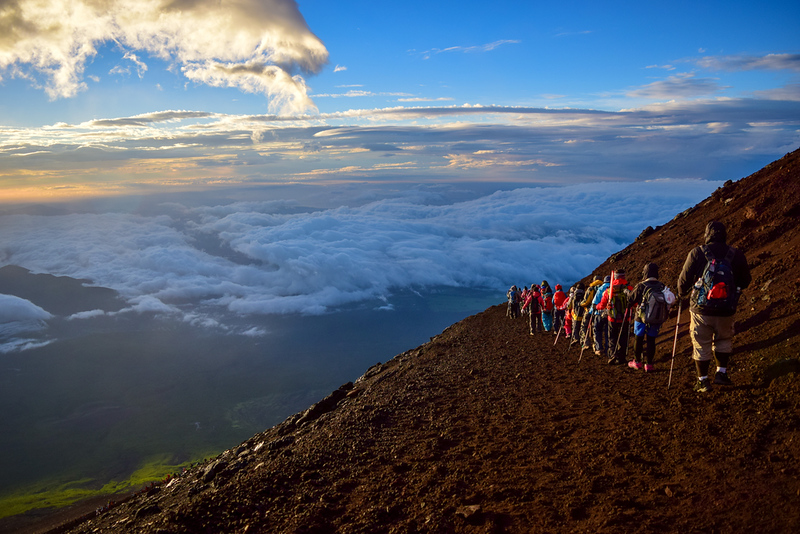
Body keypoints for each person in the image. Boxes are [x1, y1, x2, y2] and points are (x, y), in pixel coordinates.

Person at [677, 221, 751, 392]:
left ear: (707, 234)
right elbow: (746, 280)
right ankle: (722, 374)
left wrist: (683, 292)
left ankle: (702, 381)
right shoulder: (736, 254)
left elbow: (683, 283)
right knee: (723, 339)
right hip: (726, 308)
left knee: (701, 342)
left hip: (701, 309)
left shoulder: (697, 253)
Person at [627, 263, 669, 372]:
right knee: (651, 340)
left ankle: (637, 362)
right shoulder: (661, 286)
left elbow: (631, 299)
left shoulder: (641, 285)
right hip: (655, 318)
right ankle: (649, 364)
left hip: (641, 317)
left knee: (638, 338)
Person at [596, 269, 633, 364]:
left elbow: (603, 304)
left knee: (612, 337)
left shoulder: (609, 290)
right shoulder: (629, 288)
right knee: (623, 338)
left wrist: (597, 306)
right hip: (625, 318)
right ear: (624, 276)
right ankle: (622, 357)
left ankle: (613, 355)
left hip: (612, 318)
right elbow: (634, 302)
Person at [592, 275, 611, 357]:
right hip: (609, 314)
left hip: (599, 313)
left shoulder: (600, 289)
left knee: (597, 331)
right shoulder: (612, 289)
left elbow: (594, 302)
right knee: (608, 332)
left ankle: (599, 348)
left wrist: (593, 310)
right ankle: (608, 348)